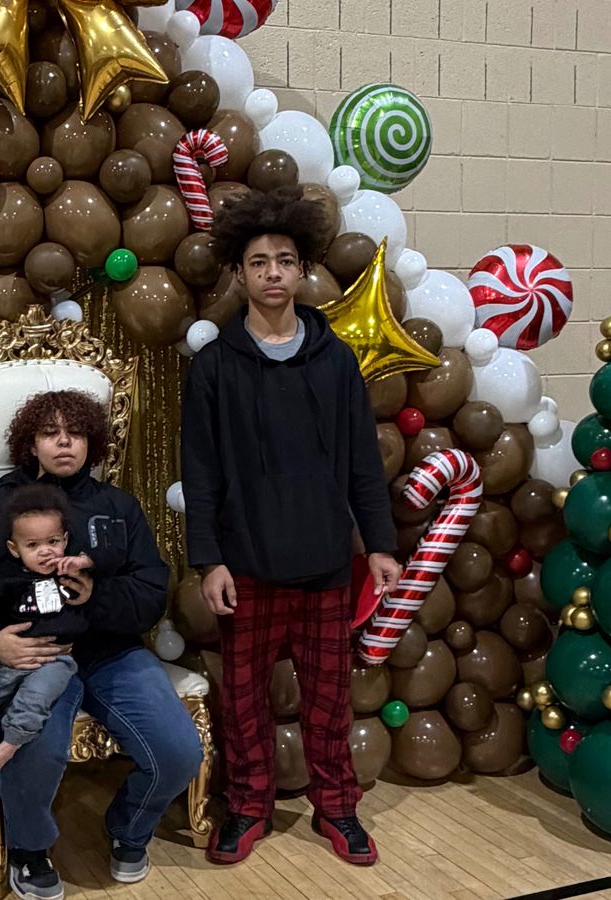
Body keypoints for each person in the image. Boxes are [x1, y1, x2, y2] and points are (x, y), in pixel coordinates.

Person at [181, 186, 401, 867]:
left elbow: (363, 462)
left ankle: (337, 805)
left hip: (326, 563)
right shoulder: (214, 367)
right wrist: (209, 560)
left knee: (329, 700)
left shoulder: (335, 362)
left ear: (303, 270)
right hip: (245, 566)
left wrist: (381, 545)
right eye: (258, 262)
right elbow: (201, 472)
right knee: (244, 702)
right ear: (238, 273)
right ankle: (249, 806)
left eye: (284, 260)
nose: (272, 273)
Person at [0, 389, 202, 900]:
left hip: (111, 653)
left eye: (75, 432)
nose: (64, 442)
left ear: (92, 441)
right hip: (32, 658)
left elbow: (150, 591)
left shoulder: (118, 507)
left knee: (178, 751)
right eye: (50, 432)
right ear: (30, 442)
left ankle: (129, 830)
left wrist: (96, 594)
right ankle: (29, 849)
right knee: (33, 744)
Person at [0, 483, 91, 787]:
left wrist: (85, 583)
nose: (45, 551)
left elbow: (83, 616)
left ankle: (8, 749)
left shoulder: (70, 577)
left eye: (52, 541)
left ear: (65, 541)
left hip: (53, 660)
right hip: (6, 663)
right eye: (32, 545)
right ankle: (3, 754)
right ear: (14, 549)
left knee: (32, 700)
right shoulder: (2, 579)